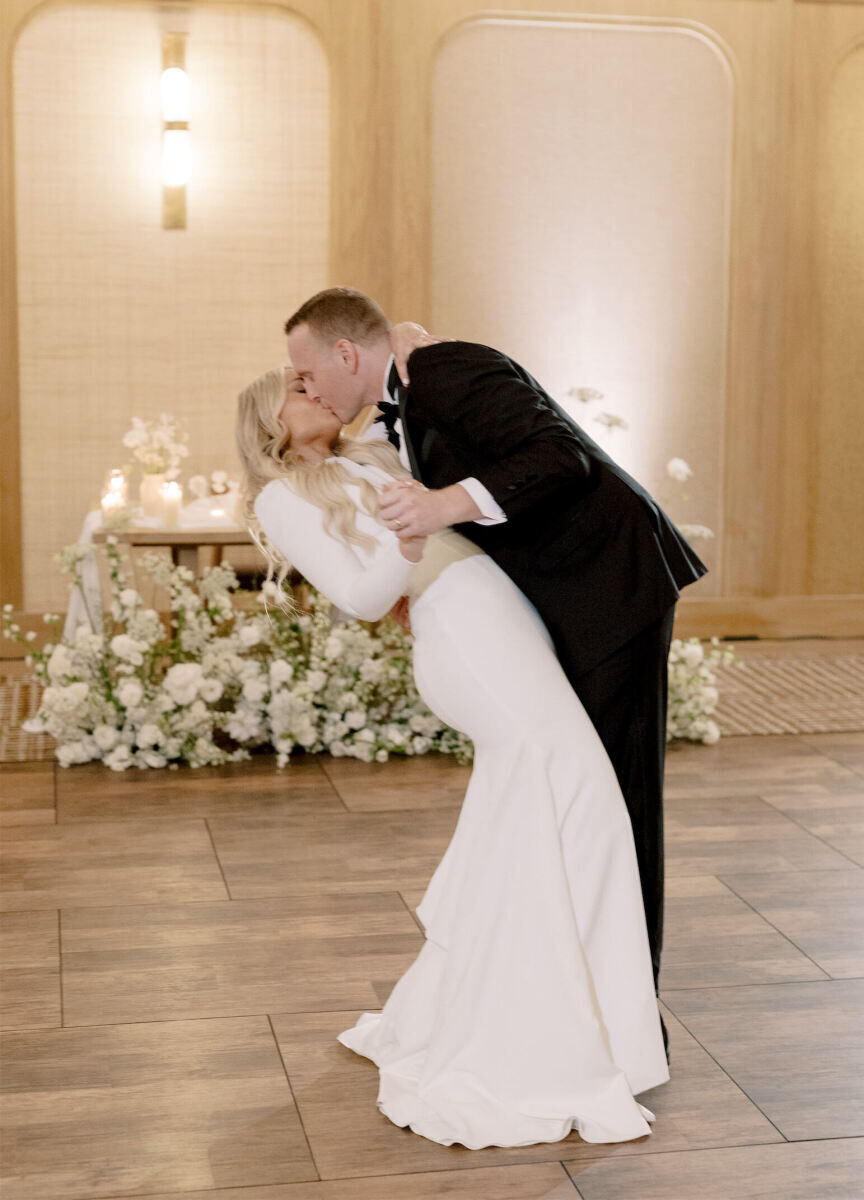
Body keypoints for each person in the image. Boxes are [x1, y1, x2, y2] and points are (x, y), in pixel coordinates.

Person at [235, 364, 669, 1150]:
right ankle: (537, 1031)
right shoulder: (280, 496)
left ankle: (543, 1009)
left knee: (539, 808)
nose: (318, 395)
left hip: (504, 618)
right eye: (298, 392)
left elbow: (406, 391)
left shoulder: (363, 457)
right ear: (270, 422)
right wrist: (405, 544)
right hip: (464, 637)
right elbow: (363, 598)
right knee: (579, 797)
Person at [283, 289, 708, 1038]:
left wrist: (444, 507)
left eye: (307, 372)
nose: (307, 388)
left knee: (619, 794)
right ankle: (587, 990)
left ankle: (631, 1014)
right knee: (585, 792)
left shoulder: (441, 369)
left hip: (609, 588)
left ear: (347, 355)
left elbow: (560, 457)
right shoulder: (398, 401)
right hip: (565, 601)